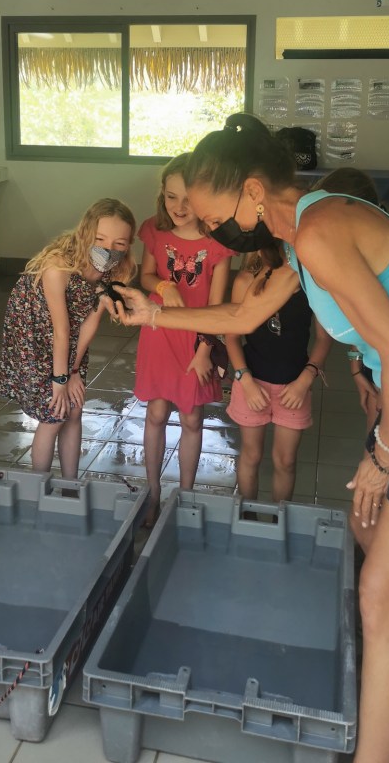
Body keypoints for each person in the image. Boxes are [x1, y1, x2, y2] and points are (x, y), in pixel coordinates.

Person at [113, 114, 389, 763]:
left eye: (213, 216)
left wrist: (384, 455)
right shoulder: (304, 234)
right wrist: (155, 313)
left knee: (379, 594)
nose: (211, 230)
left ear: (251, 192)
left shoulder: (321, 230)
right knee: (369, 530)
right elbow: (244, 314)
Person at [0, 199, 136, 477]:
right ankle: (39, 488)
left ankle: (70, 486)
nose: (108, 249)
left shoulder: (112, 269)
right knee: (54, 414)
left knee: (74, 411)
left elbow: (90, 322)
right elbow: (59, 330)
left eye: (119, 243)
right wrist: (60, 380)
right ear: (85, 232)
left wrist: (73, 372)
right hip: (35, 340)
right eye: (100, 239)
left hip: (70, 339)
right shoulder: (57, 266)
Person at [134, 154, 234, 526]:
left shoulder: (218, 242)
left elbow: (217, 306)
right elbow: (145, 276)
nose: (179, 207)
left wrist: (205, 350)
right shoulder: (154, 230)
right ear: (162, 194)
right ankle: (152, 494)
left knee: (192, 419)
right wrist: (164, 286)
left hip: (196, 343)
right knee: (156, 413)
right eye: (171, 197)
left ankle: (186, 497)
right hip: (159, 333)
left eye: (188, 199)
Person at [225, 241, 331, 502]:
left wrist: (305, 380)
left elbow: (323, 338)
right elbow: (232, 337)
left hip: (294, 385)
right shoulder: (245, 281)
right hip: (251, 381)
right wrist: (245, 380)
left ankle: (278, 519)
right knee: (251, 455)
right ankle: (247, 514)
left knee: (286, 460)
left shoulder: (312, 283)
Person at [313, 167, 381, 430]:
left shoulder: (382, 263)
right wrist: (357, 367)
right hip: (378, 363)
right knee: (375, 426)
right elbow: (355, 316)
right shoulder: (342, 256)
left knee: (383, 438)